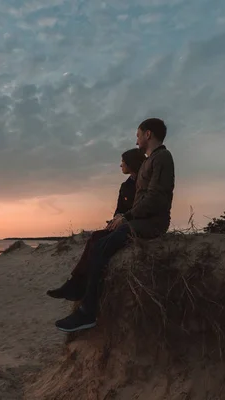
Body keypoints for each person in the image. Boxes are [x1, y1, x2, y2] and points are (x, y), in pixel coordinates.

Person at [53, 118, 175, 332]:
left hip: (152, 223)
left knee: (103, 247)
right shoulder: (149, 160)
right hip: (139, 220)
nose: (136, 140)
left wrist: (126, 217)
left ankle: (87, 313)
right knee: (98, 238)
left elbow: (156, 197)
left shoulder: (163, 157)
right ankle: (76, 286)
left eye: (138, 135)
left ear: (148, 134)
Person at [46, 148, 146, 301]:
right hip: (122, 225)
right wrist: (115, 219)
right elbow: (119, 209)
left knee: (99, 244)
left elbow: (143, 207)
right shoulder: (125, 186)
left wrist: (124, 218)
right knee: (95, 237)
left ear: (131, 164)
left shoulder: (144, 184)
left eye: (123, 162)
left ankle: (81, 289)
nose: (120, 165)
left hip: (135, 226)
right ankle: (74, 283)